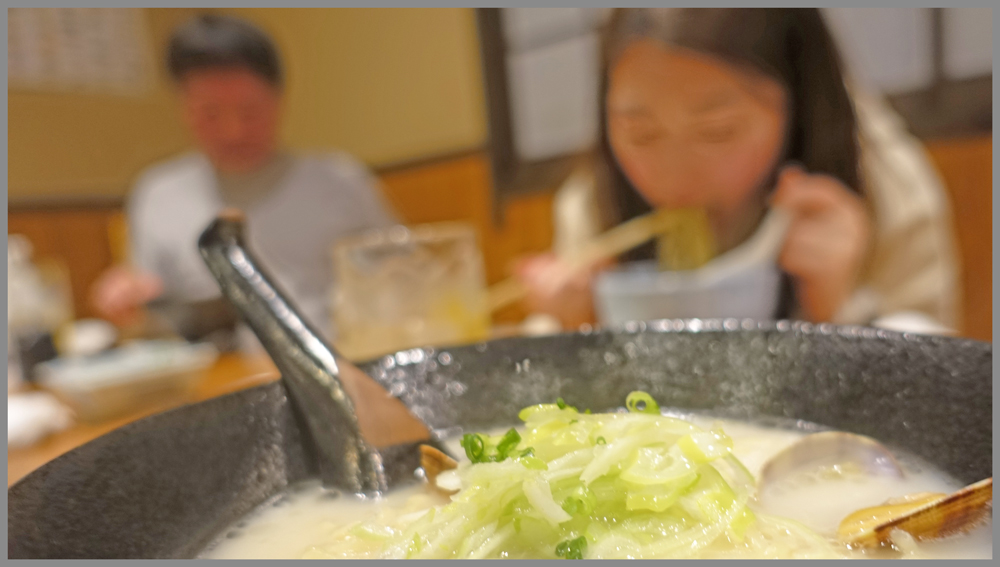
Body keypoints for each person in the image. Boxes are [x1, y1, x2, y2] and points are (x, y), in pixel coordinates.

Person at [516, 8, 960, 334]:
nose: (674, 177)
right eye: (640, 133)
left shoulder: (887, 189)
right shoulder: (594, 207)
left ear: (796, 105)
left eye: (717, 131)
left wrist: (841, 313)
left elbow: (931, 388)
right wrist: (577, 333)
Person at [91, 14, 396, 345]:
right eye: (210, 113)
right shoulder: (157, 194)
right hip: (217, 378)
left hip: (335, 365)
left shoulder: (339, 181)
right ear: (183, 106)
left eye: (250, 112)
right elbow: (150, 312)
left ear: (279, 98)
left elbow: (399, 277)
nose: (233, 131)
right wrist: (125, 297)